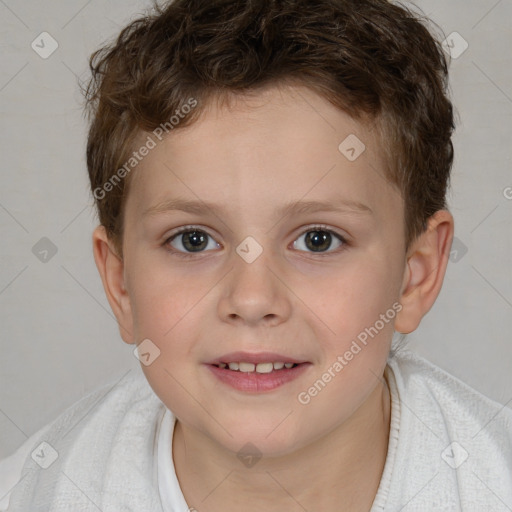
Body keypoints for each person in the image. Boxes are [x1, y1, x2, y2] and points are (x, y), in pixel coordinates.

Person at [1, 0, 511, 510]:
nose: (252, 299)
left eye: (318, 239)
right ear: (121, 284)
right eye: (193, 240)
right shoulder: (33, 492)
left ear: (414, 275)